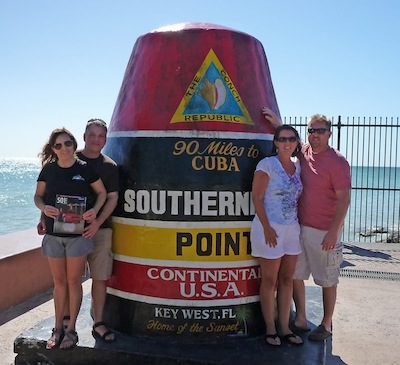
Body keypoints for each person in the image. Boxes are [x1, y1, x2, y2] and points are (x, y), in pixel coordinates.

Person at [262, 108, 351, 342]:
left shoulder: (338, 162)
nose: (314, 134)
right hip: (299, 227)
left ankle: (325, 323)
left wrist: (334, 231)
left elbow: (344, 199)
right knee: (296, 275)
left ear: (329, 133)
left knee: (327, 279)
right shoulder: (305, 153)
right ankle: (300, 317)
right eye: (311, 130)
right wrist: (277, 124)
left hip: (324, 232)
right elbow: (287, 143)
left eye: (320, 131)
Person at [38, 119, 119, 343]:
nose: (96, 140)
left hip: (99, 229)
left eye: (101, 136)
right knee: (67, 280)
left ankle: (98, 322)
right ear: (83, 137)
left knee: (99, 278)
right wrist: (43, 216)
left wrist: (97, 221)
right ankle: (65, 323)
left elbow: (111, 197)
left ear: (105, 139)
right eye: (92, 135)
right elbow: (50, 194)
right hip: (67, 231)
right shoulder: (68, 159)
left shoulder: (109, 166)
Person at [251, 125, 303, 346]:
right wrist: (267, 227)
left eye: (291, 139)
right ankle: (270, 329)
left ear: (296, 142)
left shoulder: (298, 166)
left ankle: (285, 328)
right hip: (269, 229)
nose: (287, 143)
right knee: (270, 281)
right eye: (282, 139)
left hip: (292, 229)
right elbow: (257, 198)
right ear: (276, 142)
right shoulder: (267, 165)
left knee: (286, 280)